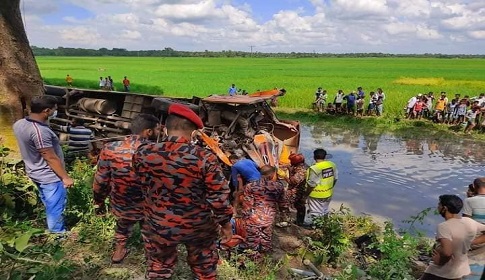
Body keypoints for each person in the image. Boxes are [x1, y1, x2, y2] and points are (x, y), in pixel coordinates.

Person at [133, 104, 233, 279]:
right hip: (197, 226)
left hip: (158, 223)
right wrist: (225, 224)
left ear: (165, 130)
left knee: (159, 266)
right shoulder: (204, 157)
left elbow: (141, 184)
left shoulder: (143, 153)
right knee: (204, 268)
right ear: (194, 133)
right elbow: (219, 196)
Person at [93, 114, 160, 263]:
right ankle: (152, 257)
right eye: (157, 129)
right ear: (148, 132)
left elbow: (101, 180)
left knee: (123, 225)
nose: (159, 132)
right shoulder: (158, 152)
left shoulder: (110, 148)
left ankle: (119, 250)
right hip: (149, 205)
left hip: (122, 202)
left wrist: (98, 201)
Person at [13, 96, 74, 234]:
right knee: (55, 205)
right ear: (46, 110)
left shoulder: (20, 123)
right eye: (54, 109)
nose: (55, 112)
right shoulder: (40, 131)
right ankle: (57, 234)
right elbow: (49, 156)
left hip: (34, 170)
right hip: (49, 175)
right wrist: (65, 177)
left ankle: (54, 226)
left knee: (49, 202)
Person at [420, 194, 485, 280]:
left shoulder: (444, 226)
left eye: (439, 204)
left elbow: (447, 252)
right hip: (461, 268)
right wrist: (470, 242)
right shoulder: (469, 221)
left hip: (444, 269)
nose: (438, 207)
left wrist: (439, 261)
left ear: (445, 208)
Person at [240, 165, 288, 259]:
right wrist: (283, 215)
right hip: (269, 218)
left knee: (251, 241)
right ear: (271, 174)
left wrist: (245, 219)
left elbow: (247, 205)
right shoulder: (278, 186)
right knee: (265, 239)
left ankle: (251, 262)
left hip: (253, 218)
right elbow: (283, 204)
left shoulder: (251, 186)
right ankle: (263, 261)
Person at [305, 148, 337, 224]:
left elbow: (311, 184)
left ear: (314, 157)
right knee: (324, 210)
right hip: (328, 193)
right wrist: (330, 188)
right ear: (325, 157)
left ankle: (316, 228)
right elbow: (335, 179)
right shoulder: (332, 165)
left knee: (315, 213)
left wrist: (306, 194)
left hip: (316, 195)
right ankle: (325, 226)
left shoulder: (315, 168)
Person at [287, 153, 308, 226]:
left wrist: (288, 173)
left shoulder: (301, 170)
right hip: (302, 190)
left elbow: (293, 181)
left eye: (291, 161)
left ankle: (290, 222)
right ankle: (299, 222)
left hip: (297, 191)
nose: (290, 162)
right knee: (300, 207)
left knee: (288, 205)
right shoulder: (303, 166)